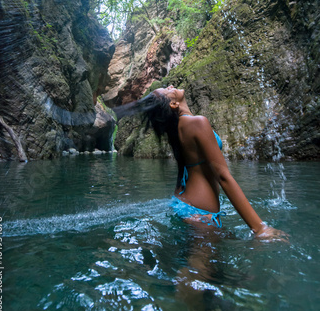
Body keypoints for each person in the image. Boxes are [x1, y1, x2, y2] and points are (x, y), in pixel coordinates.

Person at [114, 85, 287, 241]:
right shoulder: (197, 123)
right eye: (167, 90)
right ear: (173, 104)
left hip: (183, 204)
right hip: (200, 213)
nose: (171, 85)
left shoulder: (179, 128)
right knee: (196, 272)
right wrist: (260, 228)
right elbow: (223, 176)